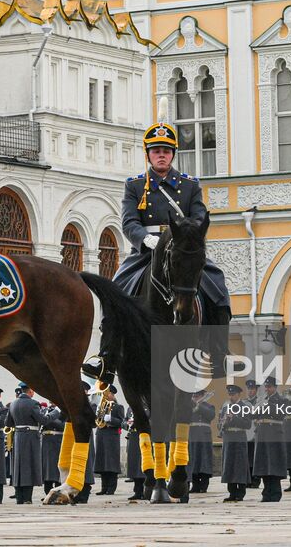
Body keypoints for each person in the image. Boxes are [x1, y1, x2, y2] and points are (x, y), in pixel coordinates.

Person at [88, 116, 230, 384]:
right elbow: (129, 221)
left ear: (173, 154)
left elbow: (199, 216)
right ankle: (106, 358)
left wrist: (186, 235)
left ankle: (219, 352)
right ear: (149, 155)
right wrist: (145, 239)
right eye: (156, 151)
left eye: (166, 150)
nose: (161, 155)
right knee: (115, 293)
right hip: (146, 252)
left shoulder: (190, 185)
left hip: (183, 250)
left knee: (218, 287)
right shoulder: (134, 185)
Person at [7, 382, 45, 504]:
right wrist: (55, 413)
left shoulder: (13, 404)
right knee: (29, 466)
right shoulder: (33, 403)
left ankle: (19, 498)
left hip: (18, 436)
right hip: (30, 437)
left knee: (18, 467)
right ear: (31, 390)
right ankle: (27, 498)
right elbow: (43, 420)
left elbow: (8, 423)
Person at [252, 378, 287, 502]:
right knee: (264, 465)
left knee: (274, 465)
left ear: (275, 387)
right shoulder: (262, 400)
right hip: (262, 434)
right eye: (266, 387)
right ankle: (266, 493)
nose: (267, 389)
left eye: (270, 387)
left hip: (274, 434)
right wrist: (257, 406)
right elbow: (253, 415)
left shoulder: (282, 400)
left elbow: (281, 414)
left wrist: (267, 405)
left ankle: (275, 493)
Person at [219, 384, 251, 502]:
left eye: (233, 394)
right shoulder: (225, 407)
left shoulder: (244, 407)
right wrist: (223, 422)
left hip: (239, 437)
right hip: (228, 438)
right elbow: (219, 424)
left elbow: (247, 424)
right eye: (229, 394)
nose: (231, 397)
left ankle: (240, 493)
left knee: (240, 465)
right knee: (229, 465)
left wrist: (234, 418)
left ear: (238, 394)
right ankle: (232, 492)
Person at [92, 385, 124, 496]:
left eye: (107, 393)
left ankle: (111, 488)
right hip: (101, 435)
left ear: (112, 394)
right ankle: (103, 487)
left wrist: (111, 419)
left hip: (111, 437)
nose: (105, 395)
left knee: (111, 463)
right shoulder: (101, 406)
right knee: (102, 463)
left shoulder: (118, 407)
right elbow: (97, 420)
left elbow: (122, 422)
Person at [188, 389, 216, 494]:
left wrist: (198, 405)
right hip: (193, 435)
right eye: (194, 395)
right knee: (193, 460)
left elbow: (211, 415)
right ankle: (195, 485)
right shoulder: (189, 407)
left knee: (205, 460)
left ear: (202, 395)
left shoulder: (209, 406)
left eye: (198, 395)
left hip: (204, 436)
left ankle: (204, 485)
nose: (195, 396)